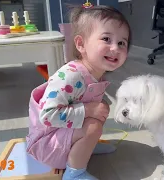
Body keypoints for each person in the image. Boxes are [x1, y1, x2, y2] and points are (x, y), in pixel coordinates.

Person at [26, 5, 131, 180]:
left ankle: (84, 146)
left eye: (122, 43)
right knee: (93, 123)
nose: (115, 48)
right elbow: (48, 115)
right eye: (106, 39)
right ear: (81, 44)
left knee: (98, 114)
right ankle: (74, 173)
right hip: (46, 146)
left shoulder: (94, 73)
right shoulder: (71, 76)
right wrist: (89, 110)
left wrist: (94, 109)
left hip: (60, 138)